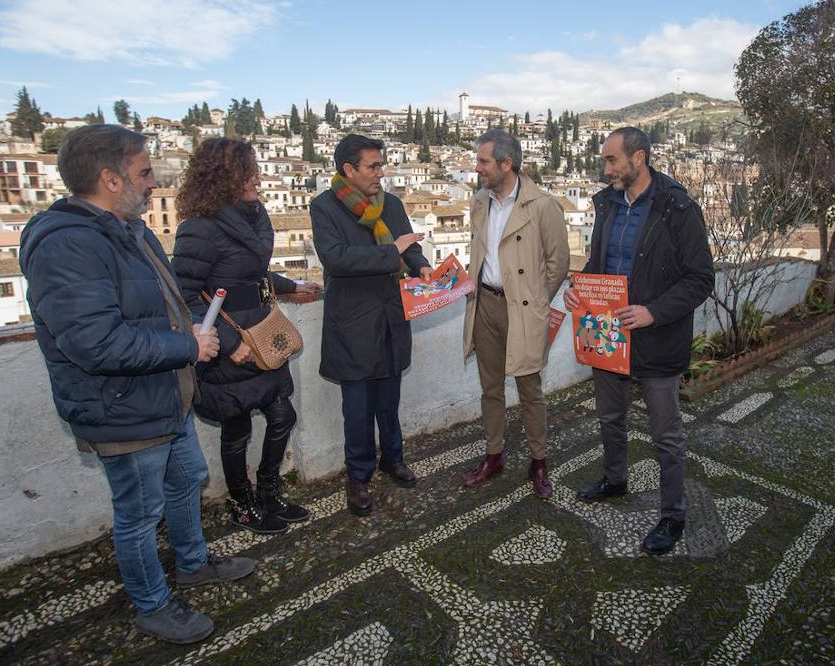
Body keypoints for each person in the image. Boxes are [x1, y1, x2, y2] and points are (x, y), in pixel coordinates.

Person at [20, 125, 254, 644]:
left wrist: (188, 335)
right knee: (139, 513)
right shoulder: (67, 246)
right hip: (122, 407)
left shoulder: (132, 231)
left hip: (164, 397)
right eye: (144, 172)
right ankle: (152, 604)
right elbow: (95, 343)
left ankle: (193, 563)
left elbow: (163, 307)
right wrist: (188, 348)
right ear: (109, 178)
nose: (154, 183)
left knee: (186, 479)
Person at [564, 126, 717, 556]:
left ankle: (673, 514)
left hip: (657, 337)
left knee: (666, 434)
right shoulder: (608, 203)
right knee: (609, 418)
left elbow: (702, 277)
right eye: (604, 160)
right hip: (608, 335)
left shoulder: (678, 207)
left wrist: (653, 311)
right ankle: (615, 479)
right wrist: (580, 287)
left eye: (612, 160)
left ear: (639, 158)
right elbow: (599, 262)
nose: (605, 167)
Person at [172, 137, 317, 535]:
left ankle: (269, 493)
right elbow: (183, 294)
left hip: (262, 335)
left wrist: (290, 286)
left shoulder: (253, 217)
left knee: (282, 415)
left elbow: (251, 277)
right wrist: (229, 343)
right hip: (228, 341)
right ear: (222, 177)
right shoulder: (198, 230)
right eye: (246, 170)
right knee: (237, 428)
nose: (256, 177)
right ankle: (242, 503)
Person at [310, 134, 432, 516]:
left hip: (390, 318)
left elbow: (408, 246)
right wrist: (391, 251)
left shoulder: (391, 205)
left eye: (381, 165)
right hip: (353, 324)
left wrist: (422, 265)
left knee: (389, 400)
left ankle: (392, 459)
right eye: (373, 166)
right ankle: (358, 477)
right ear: (349, 170)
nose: (381, 173)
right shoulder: (325, 207)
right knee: (358, 408)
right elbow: (337, 259)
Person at [461, 129, 570, 498]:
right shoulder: (479, 201)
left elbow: (559, 263)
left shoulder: (542, 205)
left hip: (523, 308)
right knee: (490, 388)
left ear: (507, 164)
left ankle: (539, 462)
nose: (477, 169)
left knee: (529, 390)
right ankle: (494, 455)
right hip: (485, 305)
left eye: (484, 162)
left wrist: (537, 301)